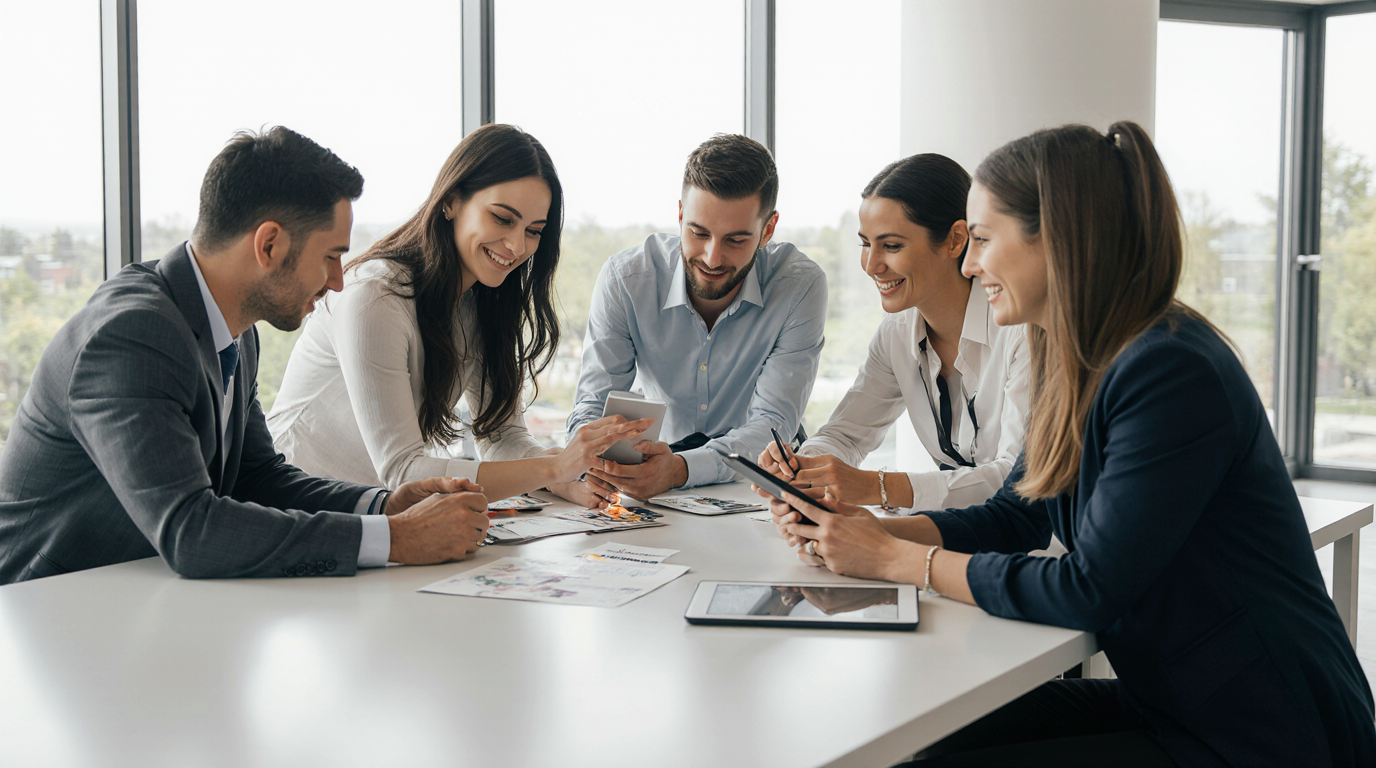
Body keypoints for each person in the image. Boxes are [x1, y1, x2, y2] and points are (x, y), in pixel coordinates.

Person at [767, 122, 1376, 766]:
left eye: (980, 240)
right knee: (918, 731)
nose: (970, 265)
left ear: (1054, 240)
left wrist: (896, 561)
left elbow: (1088, 590)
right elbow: (1017, 513)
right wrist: (874, 533)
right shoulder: (1076, 357)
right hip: (1171, 698)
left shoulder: (1169, 369)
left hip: (1259, 730)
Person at [0, 127, 491, 584]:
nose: (339, 280)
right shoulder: (133, 335)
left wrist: (385, 507)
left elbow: (256, 477)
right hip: (47, 614)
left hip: (139, 601)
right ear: (270, 244)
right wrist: (400, 539)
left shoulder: (234, 329)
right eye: (331, 256)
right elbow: (191, 530)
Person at [267, 124, 648, 499]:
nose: (517, 246)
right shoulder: (375, 296)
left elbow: (503, 437)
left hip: (380, 516)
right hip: (297, 509)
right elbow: (403, 471)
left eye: (534, 230)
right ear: (451, 201)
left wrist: (575, 476)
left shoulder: (483, 301)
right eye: (502, 218)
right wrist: (553, 468)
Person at [553, 134, 827, 508]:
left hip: (755, 480)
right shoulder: (626, 280)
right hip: (653, 474)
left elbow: (772, 425)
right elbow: (591, 407)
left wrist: (681, 469)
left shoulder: (799, 286)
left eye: (736, 240)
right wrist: (594, 464)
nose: (713, 258)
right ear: (680, 214)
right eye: (698, 233)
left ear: (768, 230)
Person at [758, 154, 1028, 513]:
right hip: (956, 536)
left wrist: (874, 486)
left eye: (892, 245)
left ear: (955, 240)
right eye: (865, 244)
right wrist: (805, 468)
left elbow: (1016, 480)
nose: (872, 265)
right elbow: (845, 434)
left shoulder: (1022, 331)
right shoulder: (897, 335)